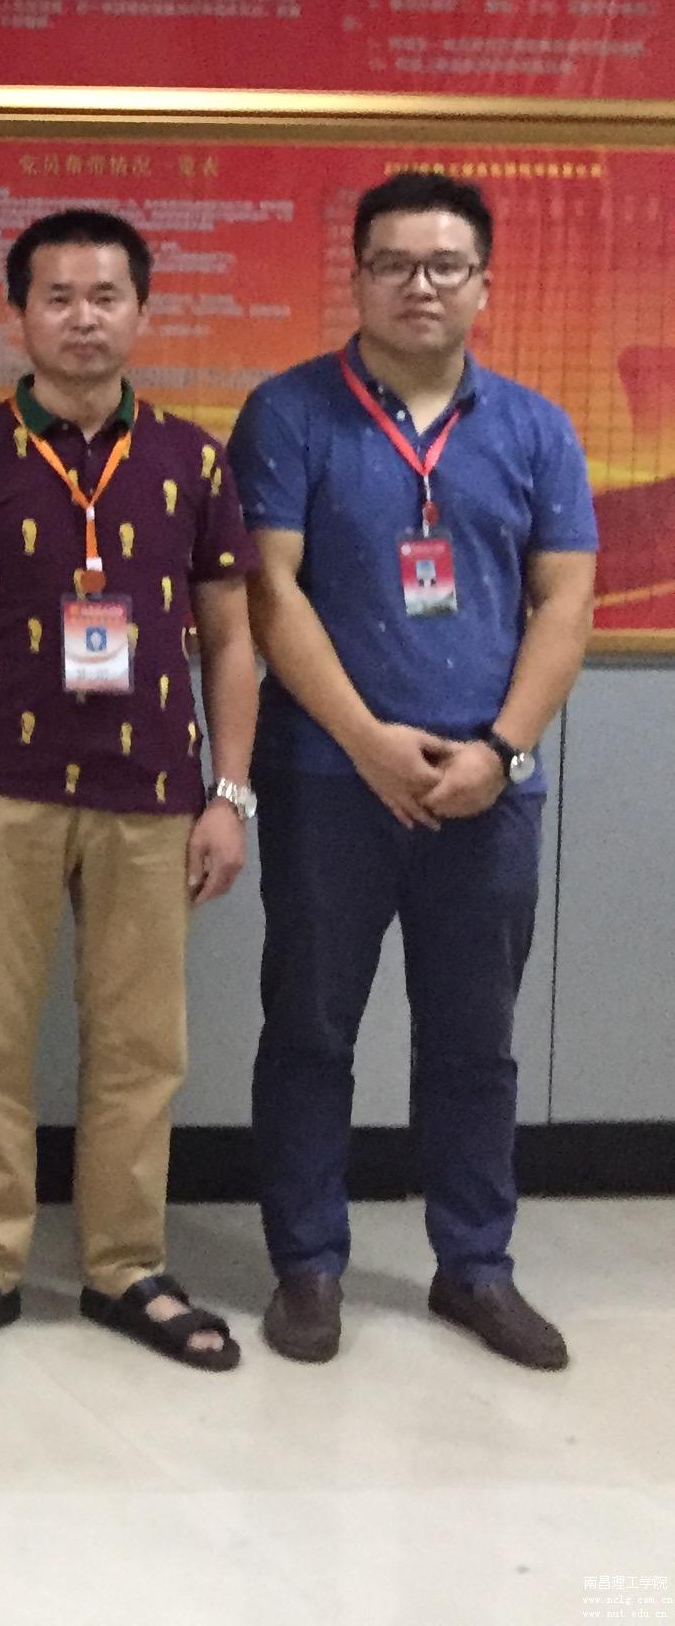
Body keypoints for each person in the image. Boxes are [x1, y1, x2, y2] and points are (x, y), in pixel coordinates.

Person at [234, 172, 595, 1372]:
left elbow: (565, 603)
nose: (419, 286)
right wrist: (364, 739)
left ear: (485, 284)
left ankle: (475, 1266)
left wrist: (500, 750)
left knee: (474, 1042)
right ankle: (308, 1265)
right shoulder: (289, 413)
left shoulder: (536, 428)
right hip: (329, 778)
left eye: (445, 266)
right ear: (356, 277)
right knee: (310, 1028)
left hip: (487, 791)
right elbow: (271, 591)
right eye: (392, 264)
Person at [0, 209, 256, 1370]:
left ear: (142, 311)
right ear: (18, 314)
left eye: (106, 296)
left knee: (142, 1045)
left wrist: (230, 794)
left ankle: (126, 1265)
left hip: (154, 792)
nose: (83, 319)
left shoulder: (195, 461)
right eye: (58, 297)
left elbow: (230, 641)